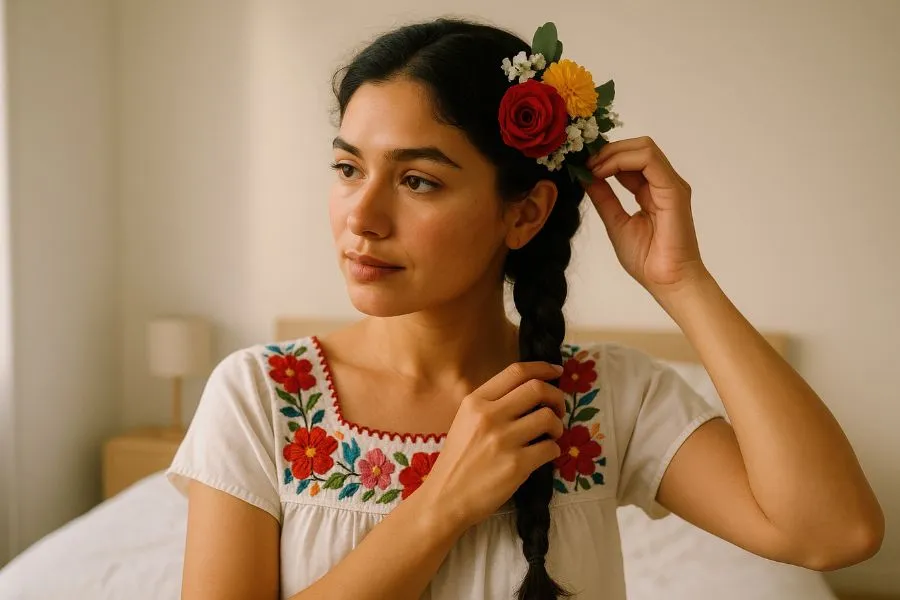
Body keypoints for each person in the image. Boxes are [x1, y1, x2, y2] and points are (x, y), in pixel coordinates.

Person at [166, 17, 884, 600]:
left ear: (526, 213)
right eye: (348, 168)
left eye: (416, 180)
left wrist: (682, 280)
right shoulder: (263, 395)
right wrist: (439, 507)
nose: (362, 216)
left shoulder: (603, 399)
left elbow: (834, 533)